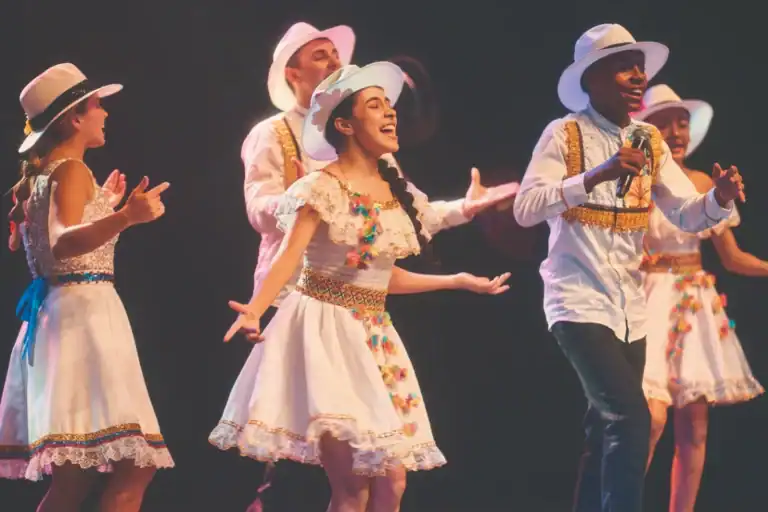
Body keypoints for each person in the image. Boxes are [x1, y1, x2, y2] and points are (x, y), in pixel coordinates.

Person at [210, 61, 511, 512]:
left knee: (392, 483)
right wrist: (256, 308)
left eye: (389, 105)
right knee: (353, 488)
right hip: (325, 335)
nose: (390, 113)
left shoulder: (394, 191)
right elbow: (288, 255)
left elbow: (378, 279)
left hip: (375, 337)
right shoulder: (320, 186)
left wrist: (456, 279)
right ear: (347, 124)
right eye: (375, 105)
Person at [513, 24, 744, 512]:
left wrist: (718, 199)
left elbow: (685, 210)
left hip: (630, 309)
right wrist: (595, 175)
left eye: (640, 67)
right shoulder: (565, 133)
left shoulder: (649, 141)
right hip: (577, 302)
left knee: (604, 430)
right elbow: (526, 207)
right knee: (631, 418)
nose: (638, 76)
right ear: (593, 78)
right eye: (625, 67)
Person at [243, 21, 519, 318]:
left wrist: (464, 208)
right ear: (293, 73)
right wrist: (295, 200)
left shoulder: (367, 140)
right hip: (290, 299)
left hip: (356, 300)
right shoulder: (273, 133)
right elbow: (258, 210)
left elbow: (405, 213)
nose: (334, 60)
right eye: (320, 55)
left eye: (335, 53)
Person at [0, 63, 173, 512]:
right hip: (84, 316)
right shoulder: (71, 169)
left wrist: (106, 210)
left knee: (73, 482)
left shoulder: (46, 174)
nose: (105, 114)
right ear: (75, 117)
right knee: (135, 465)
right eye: (97, 106)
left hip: (64, 314)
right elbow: (62, 244)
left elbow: (55, 236)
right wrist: (124, 217)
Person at [633, 84, 765, 512]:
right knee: (649, 419)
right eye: (664, 123)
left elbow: (732, 258)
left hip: (693, 306)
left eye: (682, 123)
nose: (676, 132)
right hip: (649, 299)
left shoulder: (703, 182)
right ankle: (617, 501)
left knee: (694, 429)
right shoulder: (637, 180)